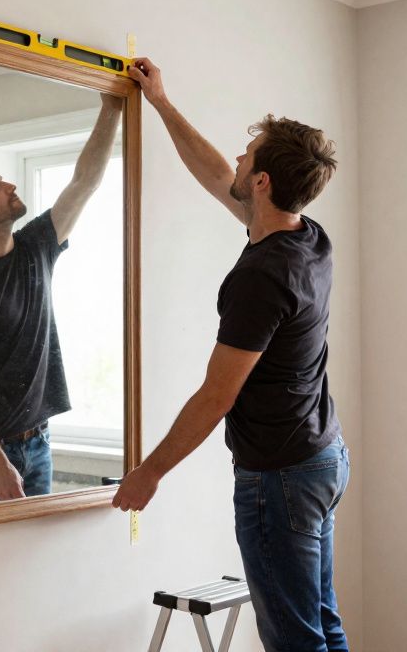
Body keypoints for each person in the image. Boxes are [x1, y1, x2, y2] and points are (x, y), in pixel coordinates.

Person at [112, 57, 348, 651]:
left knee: (296, 640)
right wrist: (162, 103)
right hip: (321, 457)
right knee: (320, 626)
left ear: (264, 182)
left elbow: (217, 395)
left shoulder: (262, 278)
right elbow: (218, 174)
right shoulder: (307, 237)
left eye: (250, 155)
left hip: (282, 475)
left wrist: (150, 471)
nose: (238, 160)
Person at [0, 94, 123, 508]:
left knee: (27, 567)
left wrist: (112, 107)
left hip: (38, 444)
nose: (10, 186)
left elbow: (85, 182)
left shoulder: (37, 246)